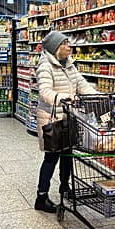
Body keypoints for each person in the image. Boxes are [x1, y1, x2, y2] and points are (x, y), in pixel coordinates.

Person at [34, 31, 97, 213]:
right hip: (52, 118)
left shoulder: (69, 65)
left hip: (69, 117)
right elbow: (44, 92)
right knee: (51, 157)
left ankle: (64, 187)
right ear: (55, 47)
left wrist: (98, 95)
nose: (70, 47)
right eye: (65, 44)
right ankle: (41, 196)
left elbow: (82, 85)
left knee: (67, 155)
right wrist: (66, 98)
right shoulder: (45, 67)